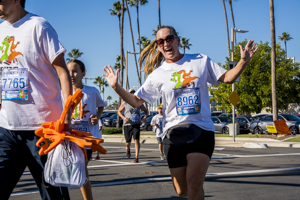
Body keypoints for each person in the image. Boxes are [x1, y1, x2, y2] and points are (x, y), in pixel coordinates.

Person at [102, 25, 257, 200]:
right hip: (173, 135)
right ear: (158, 46)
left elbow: (228, 78)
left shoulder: (200, 61)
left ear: (178, 40)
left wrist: (243, 61)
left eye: (169, 39)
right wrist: (116, 87)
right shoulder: (157, 75)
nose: (165, 44)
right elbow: (136, 101)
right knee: (182, 190)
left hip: (201, 130)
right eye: (160, 42)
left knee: (195, 183)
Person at [0, 1, 72, 199]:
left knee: (53, 195)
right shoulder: (1, 30)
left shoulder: (38, 25)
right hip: (7, 128)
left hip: (43, 129)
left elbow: (62, 71)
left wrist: (67, 113)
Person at [67, 59, 107, 200]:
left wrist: (97, 116)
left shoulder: (92, 91)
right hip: (68, 138)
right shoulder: (62, 92)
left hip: (86, 139)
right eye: (68, 71)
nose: (71, 74)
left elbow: (101, 105)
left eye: (75, 71)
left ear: (83, 73)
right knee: (71, 171)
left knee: (81, 169)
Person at [117, 89, 148, 163]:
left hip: (136, 123)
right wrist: (123, 117)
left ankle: (136, 157)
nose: (132, 93)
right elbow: (119, 111)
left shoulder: (139, 102)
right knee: (128, 142)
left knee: (136, 140)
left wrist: (145, 117)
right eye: (131, 92)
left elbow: (145, 111)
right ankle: (128, 149)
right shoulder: (125, 103)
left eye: (134, 92)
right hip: (127, 124)